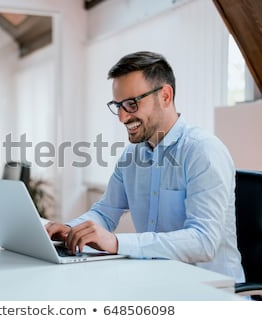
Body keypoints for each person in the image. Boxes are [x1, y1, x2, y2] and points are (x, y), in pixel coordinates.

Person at [46, 51, 245, 282]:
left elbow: (203, 242)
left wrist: (117, 242)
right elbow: (105, 212)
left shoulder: (203, 151)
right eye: (118, 105)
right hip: (156, 282)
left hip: (209, 293)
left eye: (131, 104)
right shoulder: (133, 155)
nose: (122, 117)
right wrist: (70, 230)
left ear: (165, 96)